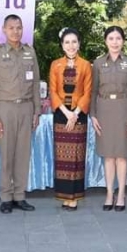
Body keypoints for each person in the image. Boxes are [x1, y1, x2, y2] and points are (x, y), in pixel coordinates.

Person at [0, 14, 41, 214]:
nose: (15, 31)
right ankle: (6, 196)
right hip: (5, 108)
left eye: (19, 27)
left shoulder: (29, 52)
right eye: (11, 28)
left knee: (22, 154)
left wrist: (36, 110)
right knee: (7, 154)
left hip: (26, 108)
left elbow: (35, 83)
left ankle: (20, 195)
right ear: (4, 29)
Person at [90, 26, 127, 212]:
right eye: (111, 38)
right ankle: (109, 193)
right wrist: (93, 115)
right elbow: (93, 91)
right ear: (105, 41)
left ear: (123, 41)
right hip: (104, 110)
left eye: (118, 38)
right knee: (108, 155)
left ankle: (121, 195)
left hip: (124, 110)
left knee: (121, 155)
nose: (114, 42)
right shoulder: (97, 63)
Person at [48, 28, 92, 211]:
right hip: (61, 113)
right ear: (62, 45)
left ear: (79, 44)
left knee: (76, 157)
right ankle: (64, 196)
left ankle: (74, 198)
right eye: (67, 42)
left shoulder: (85, 65)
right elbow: (53, 91)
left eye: (74, 42)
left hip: (79, 114)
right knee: (62, 158)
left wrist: (76, 113)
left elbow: (87, 91)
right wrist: (67, 113)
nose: (71, 46)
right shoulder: (55, 65)